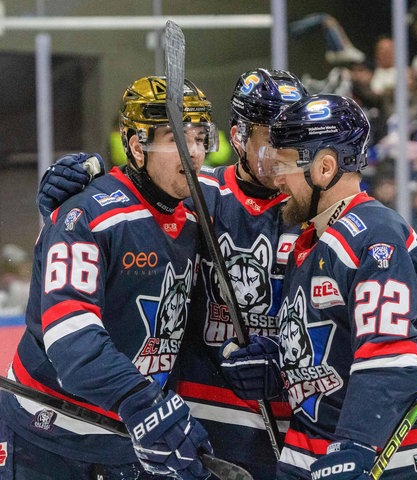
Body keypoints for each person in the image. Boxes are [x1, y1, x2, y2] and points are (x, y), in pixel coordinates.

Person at [35, 68, 310, 479]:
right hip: (158, 418)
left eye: (199, 140)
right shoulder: (201, 199)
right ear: (238, 137)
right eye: (273, 136)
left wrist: (289, 363)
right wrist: (65, 213)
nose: (194, 153)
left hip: (282, 423)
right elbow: (126, 217)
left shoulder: (325, 208)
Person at [219, 94, 417, 479]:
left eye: (287, 164)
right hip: (314, 455)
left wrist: (355, 443)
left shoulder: (376, 236)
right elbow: (331, 353)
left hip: (407, 461)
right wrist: (280, 367)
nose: (277, 178)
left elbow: (388, 355)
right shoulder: (306, 245)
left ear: (325, 168)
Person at [0, 75, 218, 480]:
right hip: (47, 436)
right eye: (176, 139)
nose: (194, 152)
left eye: (200, 137)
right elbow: (71, 342)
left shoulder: (199, 211)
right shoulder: (87, 216)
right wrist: (142, 399)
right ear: (137, 146)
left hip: (128, 440)